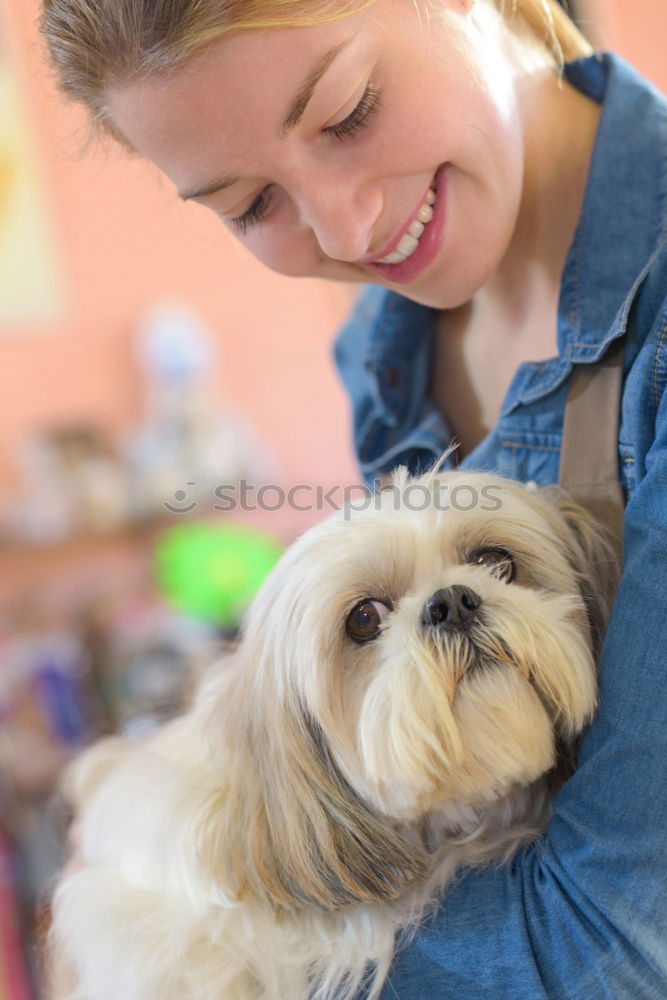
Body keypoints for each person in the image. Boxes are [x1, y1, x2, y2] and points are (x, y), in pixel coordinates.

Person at [39, 1, 667, 997]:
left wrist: (185, 937)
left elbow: (617, 945)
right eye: (250, 204)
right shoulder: (386, 343)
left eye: (347, 111)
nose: (347, 225)